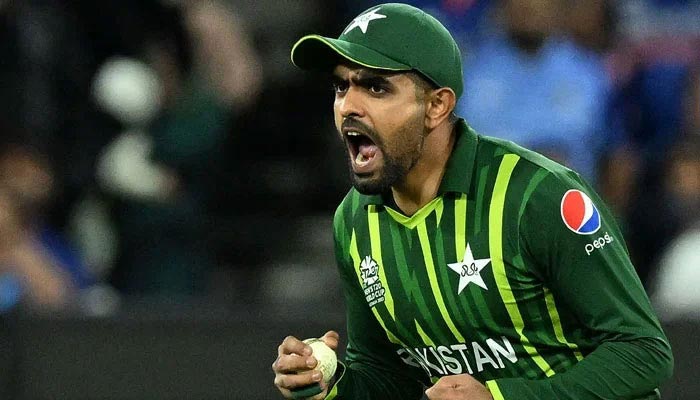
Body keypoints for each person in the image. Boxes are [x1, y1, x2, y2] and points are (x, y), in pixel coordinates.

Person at [272, 3, 673, 400]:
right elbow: (386, 373)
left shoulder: (537, 195)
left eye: (376, 87)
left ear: (436, 106)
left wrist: (501, 397)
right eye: (342, 86)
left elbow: (643, 352)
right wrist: (332, 383)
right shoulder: (353, 222)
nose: (349, 107)